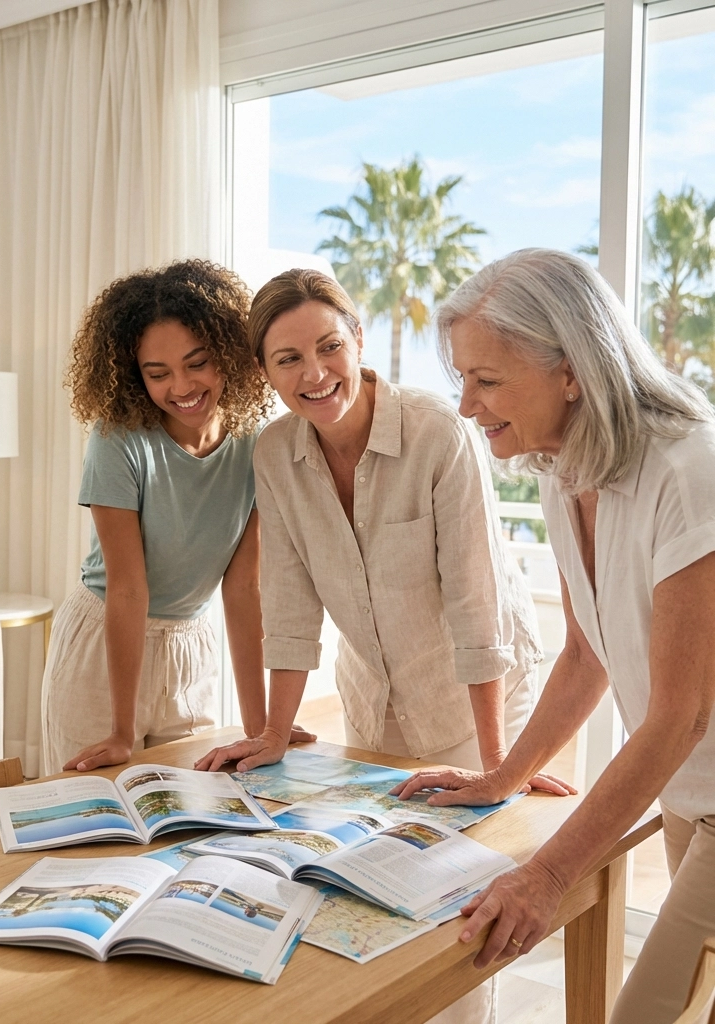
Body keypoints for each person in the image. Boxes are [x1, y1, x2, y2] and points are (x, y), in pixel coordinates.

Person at [196, 268, 564, 1024]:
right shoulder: (274, 454)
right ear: (265, 374)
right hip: (373, 700)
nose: (314, 372)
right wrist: (271, 731)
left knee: (463, 913)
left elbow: (476, 608)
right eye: (287, 359)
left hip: (477, 692)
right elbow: (291, 603)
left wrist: (499, 769)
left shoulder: (437, 432)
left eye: (329, 346)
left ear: (359, 341)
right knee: (378, 895)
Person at [391, 247, 715, 1024]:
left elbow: (682, 712)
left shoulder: (690, 469)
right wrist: (502, 776)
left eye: (488, 379)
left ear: (571, 371)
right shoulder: (559, 468)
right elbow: (583, 653)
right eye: (463, 378)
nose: (467, 406)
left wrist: (546, 876)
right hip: (690, 792)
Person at [41, 259, 314, 777]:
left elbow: (243, 588)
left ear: (229, 356)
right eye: (157, 373)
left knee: (194, 814)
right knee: (94, 819)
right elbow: (127, 588)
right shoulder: (117, 438)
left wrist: (263, 730)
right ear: (132, 374)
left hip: (191, 643)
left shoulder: (257, 446)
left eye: (197, 363)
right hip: (105, 639)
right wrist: (121, 731)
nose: (182, 386)